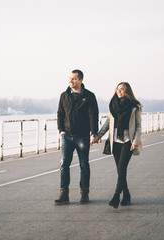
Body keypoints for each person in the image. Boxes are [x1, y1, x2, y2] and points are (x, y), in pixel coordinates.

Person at [92, 82, 142, 209]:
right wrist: (98, 135)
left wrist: (135, 142)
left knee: (121, 167)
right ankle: (126, 194)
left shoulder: (134, 106)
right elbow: (108, 123)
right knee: (120, 170)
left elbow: (138, 126)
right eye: (118, 89)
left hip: (128, 141)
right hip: (115, 141)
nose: (119, 91)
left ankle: (116, 196)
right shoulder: (112, 105)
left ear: (127, 91)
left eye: (122, 89)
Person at [54, 69, 99, 204]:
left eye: (74, 78)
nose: (71, 81)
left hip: (83, 136)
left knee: (84, 165)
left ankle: (84, 193)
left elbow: (93, 116)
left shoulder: (89, 96)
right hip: (66, 136)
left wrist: (94, 133)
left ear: (80, 80)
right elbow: (60, 114)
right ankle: (64, 194)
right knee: (64, 164)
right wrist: (61, 130)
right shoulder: (64, 95)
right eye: (70, 78)